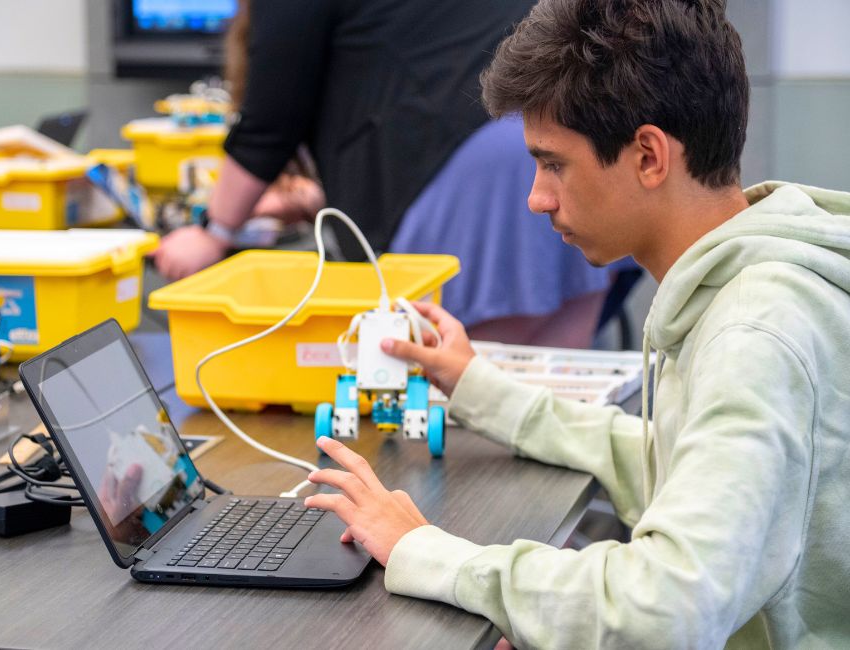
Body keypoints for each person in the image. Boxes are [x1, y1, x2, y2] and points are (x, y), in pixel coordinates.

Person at [301, 0, 850, 647]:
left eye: (554, 163)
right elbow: (674, 467)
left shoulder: (752, 335)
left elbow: (666, 610)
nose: (537, 197)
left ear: (649, 155)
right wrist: (478, 386)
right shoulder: (749, 281)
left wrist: (428, 553)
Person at [153, 0, 617, 348]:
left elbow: (272, 116)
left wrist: (214, 231)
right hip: (580, 139)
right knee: (555, 405)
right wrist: (314, 202)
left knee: (462, 396)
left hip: (481, 169)